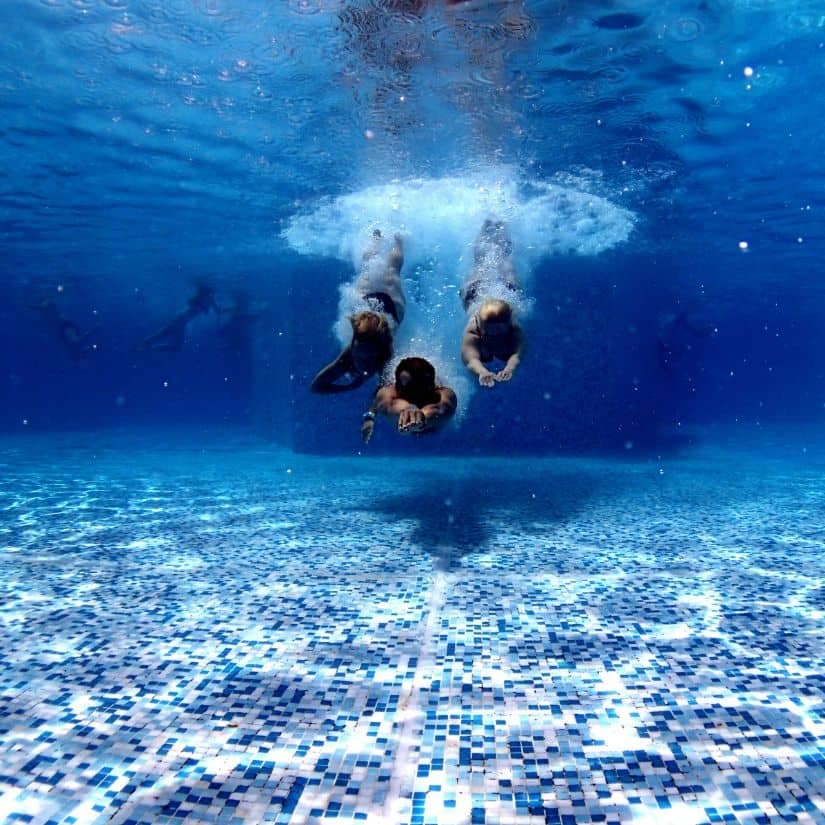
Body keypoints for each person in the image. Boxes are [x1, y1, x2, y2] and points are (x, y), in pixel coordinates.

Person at [311, 230, 406, 393]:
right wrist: (348, 387)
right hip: (392, 306)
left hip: (371, 301)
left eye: (369, 356)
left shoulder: (384, 360)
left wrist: (354, 385)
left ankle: (388, 240)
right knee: (391, 271)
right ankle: (394, 240)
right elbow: (316, 387)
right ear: (353, 345)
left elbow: (381, 393)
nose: (365, 361)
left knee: (371, 268)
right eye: (362, 355)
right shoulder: (347, 356)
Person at [460, 219, 525, 387]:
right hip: (476, 291)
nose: (493, 339)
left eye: (498, 334)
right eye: (489, 334)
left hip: (500, 289)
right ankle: (486, 225)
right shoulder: (473, 331)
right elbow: (470, 359)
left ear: (508, 327)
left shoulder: (514, 329)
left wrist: (510, 368)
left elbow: (518, 354)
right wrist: (481, 371)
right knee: (482, 260)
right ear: (480, 327)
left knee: (503, 257)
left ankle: (504, 225)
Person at [361, 356, 457, 443]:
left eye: (421, 389)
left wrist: (423, 417)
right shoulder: (387, 393)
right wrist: (370, 417)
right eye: (409, 389)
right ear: (397, 387)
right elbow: (385, 403)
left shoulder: (445, 394)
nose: (415, 395)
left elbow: (439, 409)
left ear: (432, 386)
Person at [139, 282, 219, 352]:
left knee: (170, 342)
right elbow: (192, 303)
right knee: (165, 337)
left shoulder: (209, 300)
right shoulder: (201, 299)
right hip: (180, 320)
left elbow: (219, 311)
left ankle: (145, 347)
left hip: (181, 321)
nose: (212, 295)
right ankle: (144, 346)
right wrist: (203, 306)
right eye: (210, 292)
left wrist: (231, 309)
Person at [33, 297, 98, 361]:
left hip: (62, 328)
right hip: (63, 327)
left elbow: (83, 337)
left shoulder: (73, 342)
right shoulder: (74, 341)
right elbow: (85, 336)